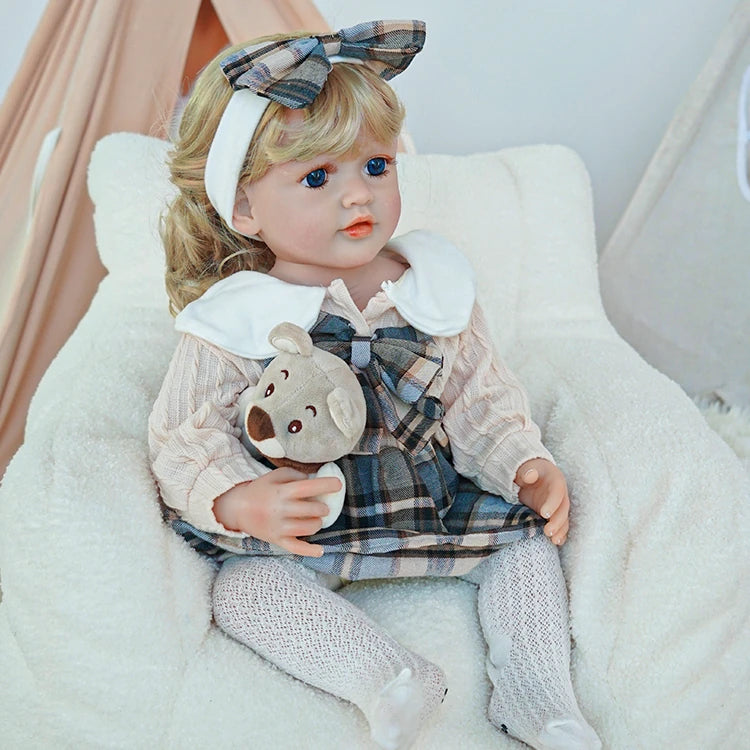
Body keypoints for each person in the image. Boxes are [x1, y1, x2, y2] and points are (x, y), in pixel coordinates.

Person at [149, 20, 601, 750]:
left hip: (425, 493)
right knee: (242, 592)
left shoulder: (429, 286)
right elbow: (182, 432)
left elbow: (479, 396)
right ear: (243, 209)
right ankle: (387, 677)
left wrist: (522, 462)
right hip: (310, 518)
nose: (356, 197)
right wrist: (238, 496)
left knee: (526, 550)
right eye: (318, 178)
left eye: (376, 167)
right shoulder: (236, 315)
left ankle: (540, 697)